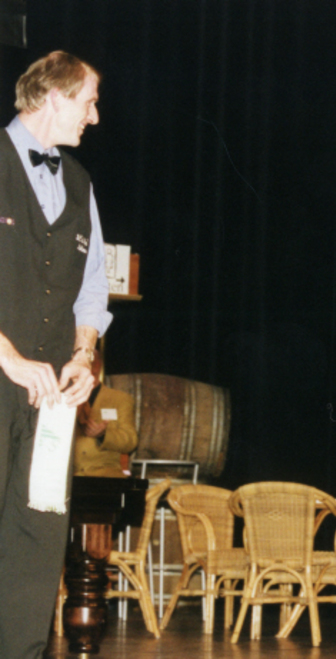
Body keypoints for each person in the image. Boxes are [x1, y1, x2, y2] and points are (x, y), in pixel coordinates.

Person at [0, 51, 111, 658]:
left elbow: (92, 288)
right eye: (88, 102)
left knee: (37, 535)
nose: (94, 117)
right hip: (3, 374)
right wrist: (10, 358)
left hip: (50, 403)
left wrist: (83, 357)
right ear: (54, 97)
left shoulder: (80, 184)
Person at [73, 350, 137, 478]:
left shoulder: (119, 399)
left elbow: (130, 441)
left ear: (97, 366)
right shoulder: (63, 396)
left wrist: (103, 436)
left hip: (104, 476)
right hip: (67, 476)